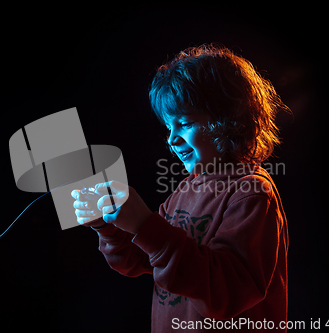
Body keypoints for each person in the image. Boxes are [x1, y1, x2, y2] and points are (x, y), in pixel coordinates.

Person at [71, 44, 289, 332]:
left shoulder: (251, 194)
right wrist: (107, 226)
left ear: (230, 122)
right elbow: (138, 262)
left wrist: (145, 225)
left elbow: (229, 294)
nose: (172, 139)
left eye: (184, 123)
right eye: (168, 127)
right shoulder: (186, 190)